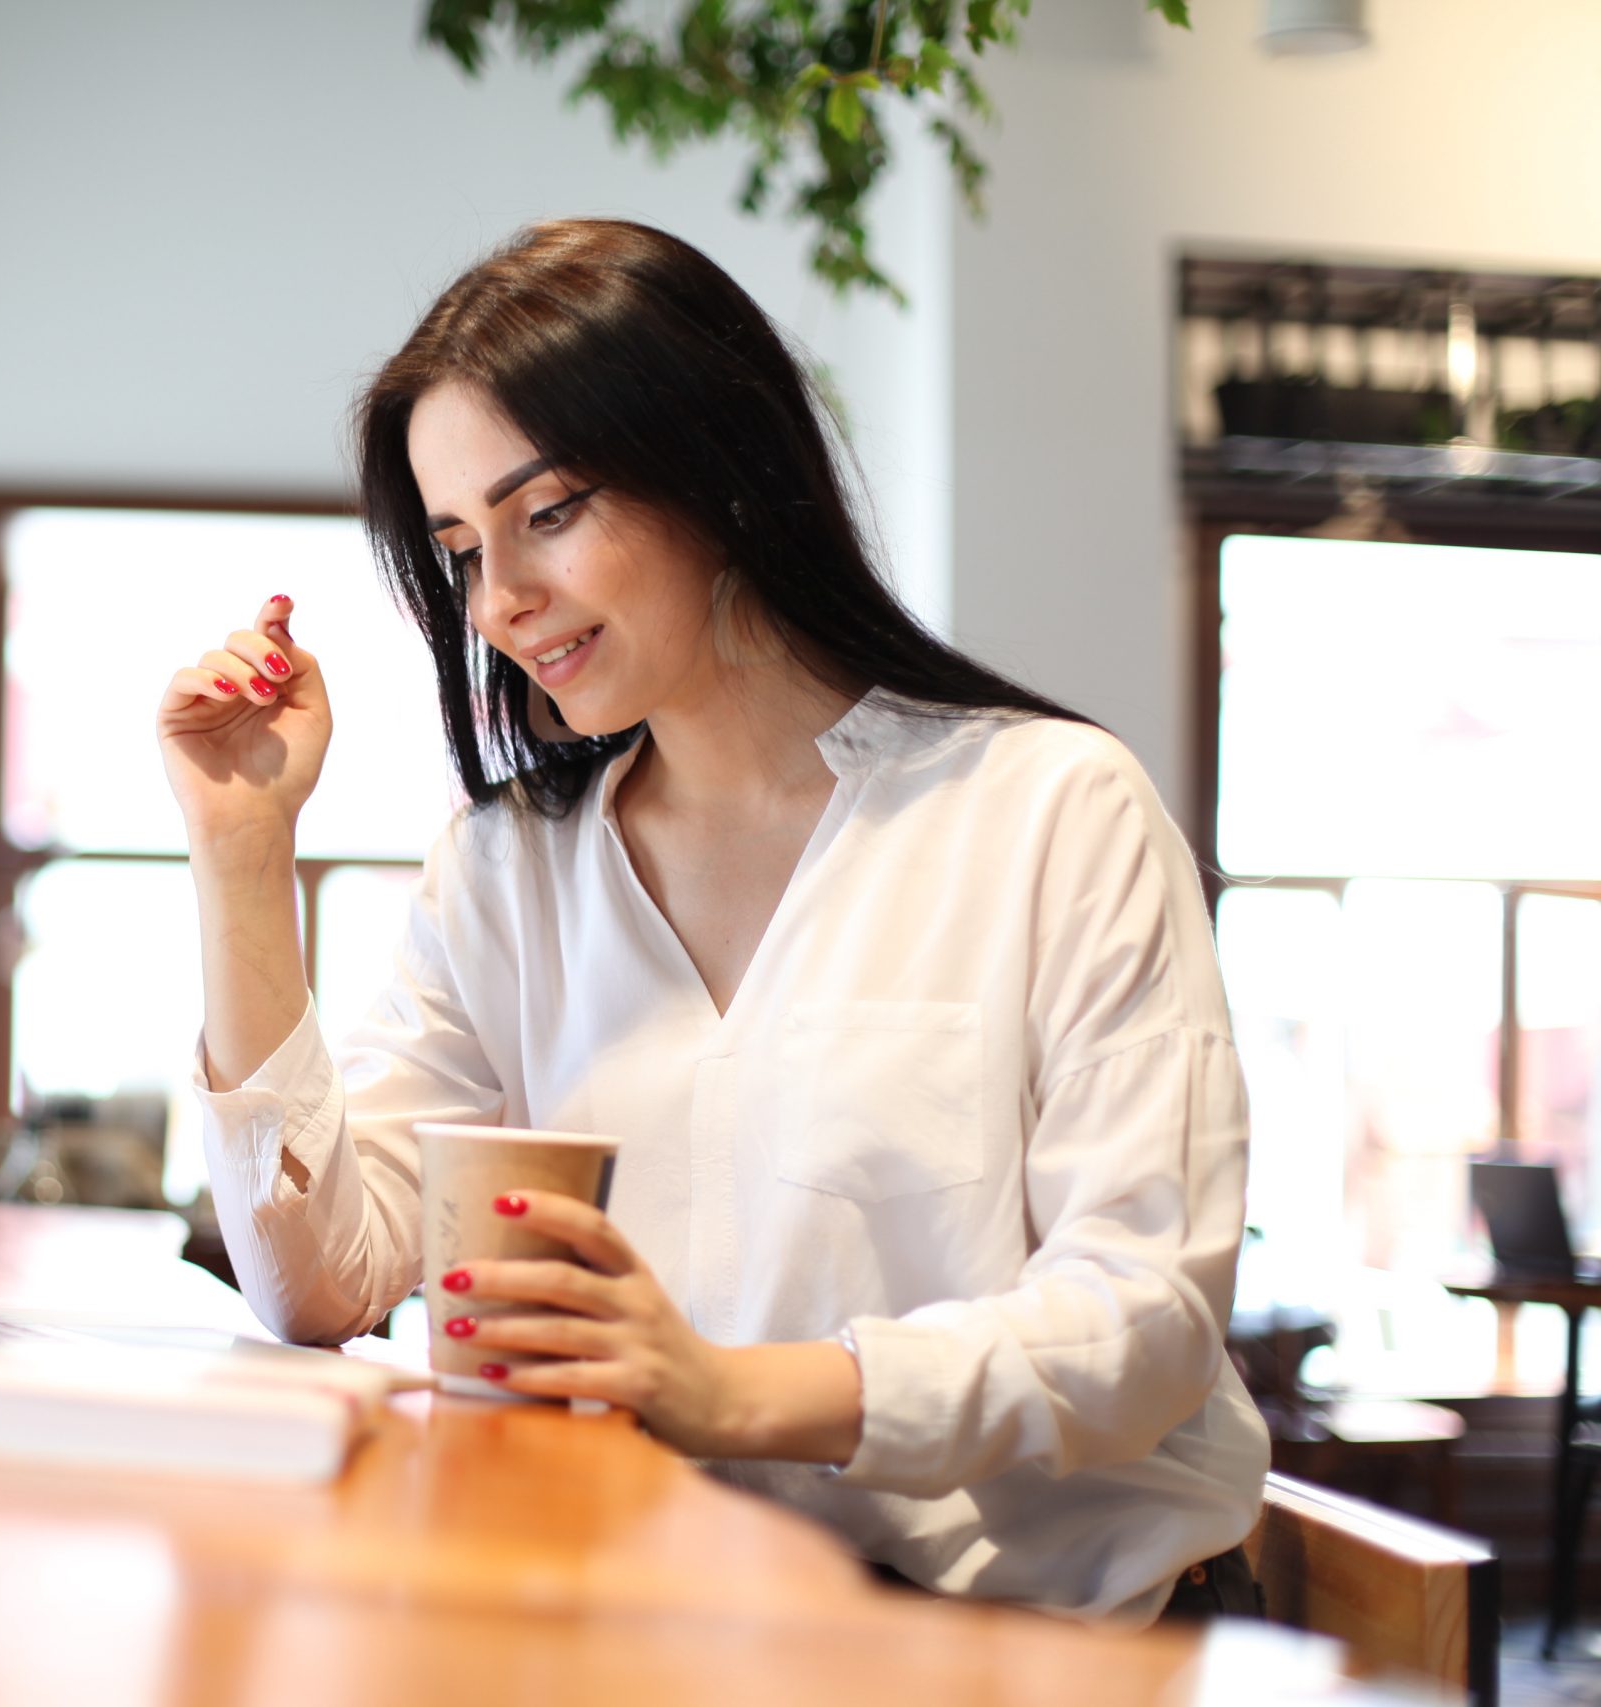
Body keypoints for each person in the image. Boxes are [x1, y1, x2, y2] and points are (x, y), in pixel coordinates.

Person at [153, 218, 1269, 1625]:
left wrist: (721, 1391)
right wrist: (242, 853)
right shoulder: (513, 871)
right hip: (677, 1617)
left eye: (548, 511)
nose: (501, 599)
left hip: (1035, 1648)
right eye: (460, 547)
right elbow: (322, 1283)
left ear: (722, 472)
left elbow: (1146, 1322)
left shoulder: (1050, 811)